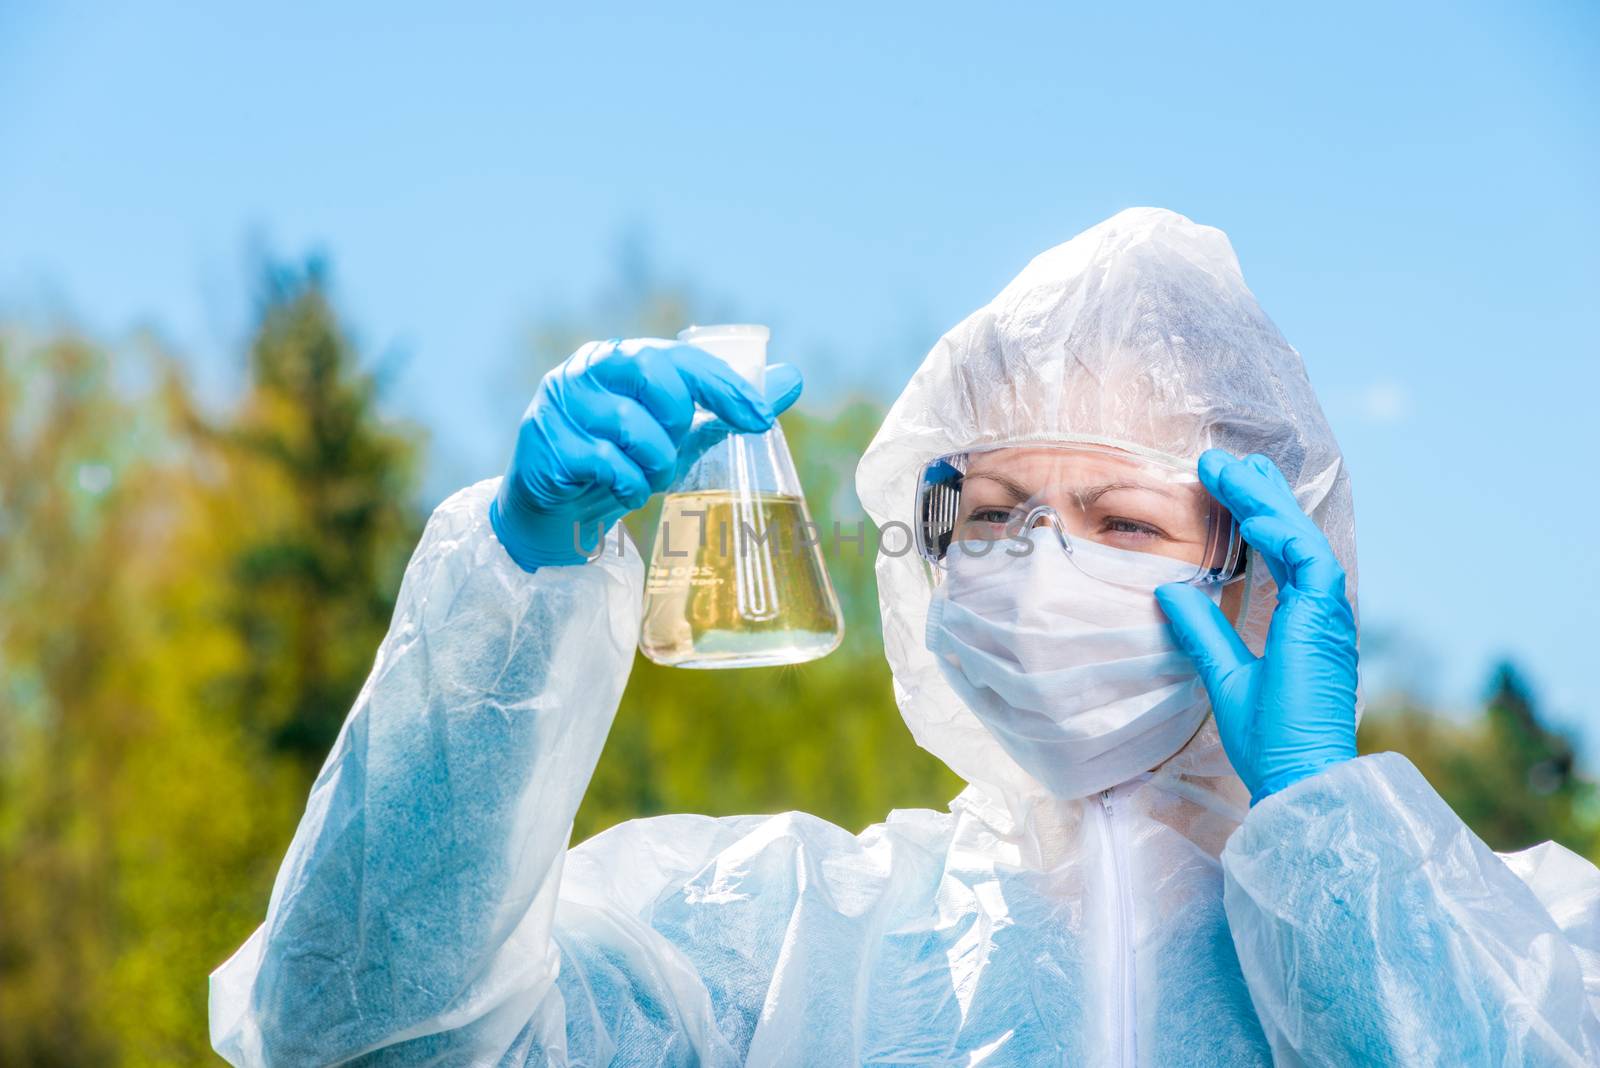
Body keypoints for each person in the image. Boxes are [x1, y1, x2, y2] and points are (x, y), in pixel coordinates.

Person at [210, 209, 1600, 1066]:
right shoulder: (781, 942)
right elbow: (369, 1039)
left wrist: (1333, 853)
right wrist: (516, 582)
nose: (1037, 569)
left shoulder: (1515, 941)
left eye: (1120, 521)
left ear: (1263, 570)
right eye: (992, 516)